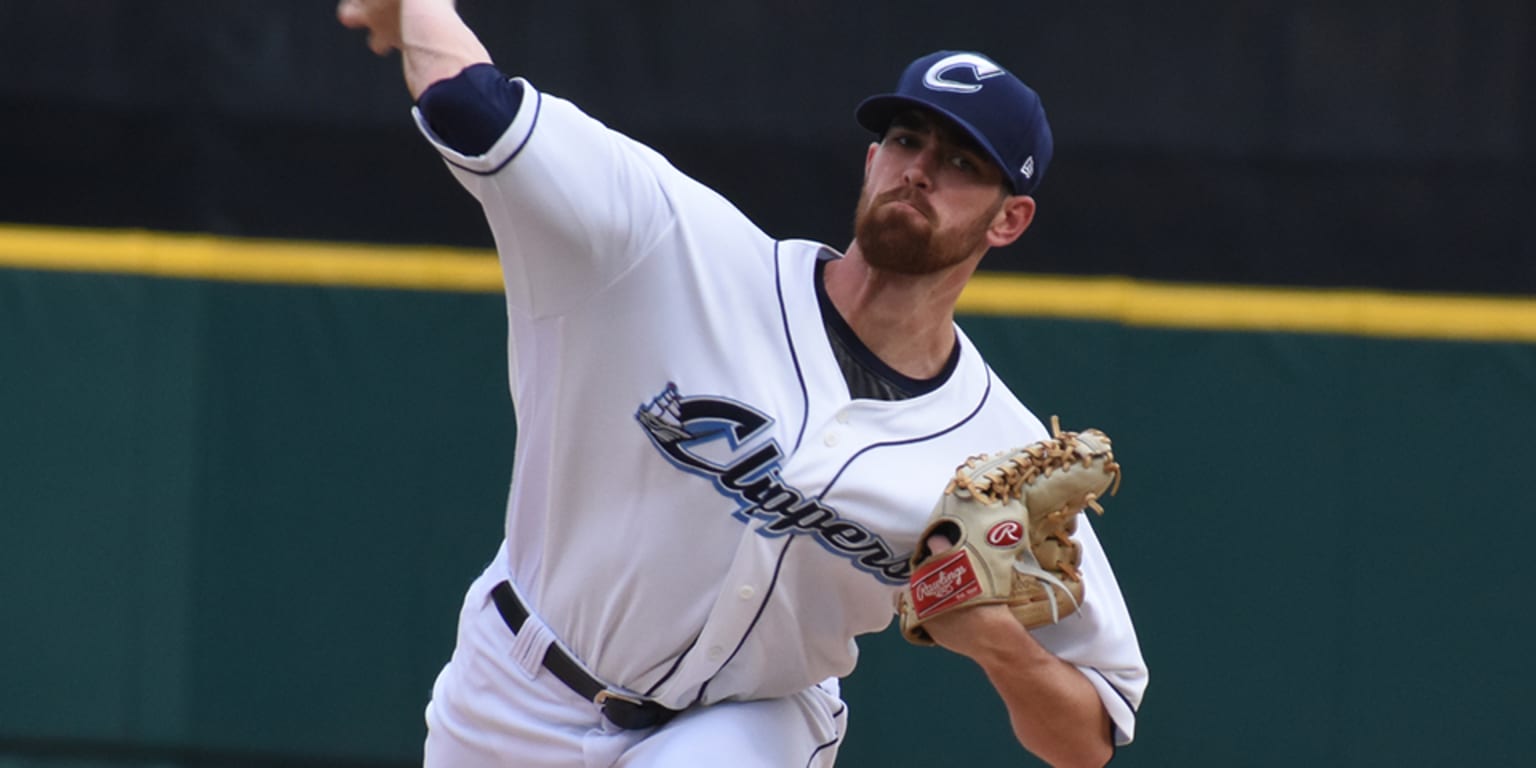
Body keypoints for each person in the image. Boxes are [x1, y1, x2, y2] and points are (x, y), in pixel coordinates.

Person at [338, 1, 1147, 766]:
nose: (920, 171)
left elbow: (1089, 739)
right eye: (907, 141)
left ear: (1009, 219)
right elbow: (476, 108)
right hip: (514, 681)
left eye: (963, 162)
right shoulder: (673, 247)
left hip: (749, 721)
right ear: (873, 159)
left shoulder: (997, 453)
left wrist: (992, 637)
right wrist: (419, 11)